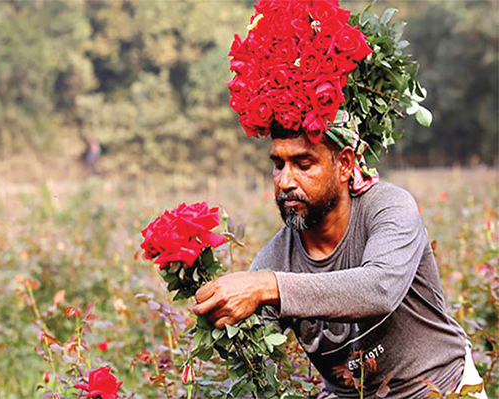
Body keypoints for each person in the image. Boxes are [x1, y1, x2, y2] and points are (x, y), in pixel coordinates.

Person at [192, 0, 488, 397]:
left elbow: (379, 289)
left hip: (444, 390)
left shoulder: (389, 208)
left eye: (304, 164)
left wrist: (268, 287)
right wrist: (202, 285)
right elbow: (254, 350)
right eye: (277, 165)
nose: (285, 181)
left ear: (345, 164)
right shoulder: (278, 258)